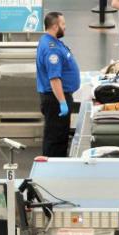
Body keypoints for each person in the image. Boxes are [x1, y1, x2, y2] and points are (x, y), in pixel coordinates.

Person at [36, 12, 81, 157]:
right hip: (55, 99)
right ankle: (52, 170)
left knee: (58, 136)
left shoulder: (51, 41)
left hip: (56, 96)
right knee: (56, 138)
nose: (65, 27)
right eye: (63, 24)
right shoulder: (51, 49)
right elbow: (54, 79)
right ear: (55, 26)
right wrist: (62, 102)